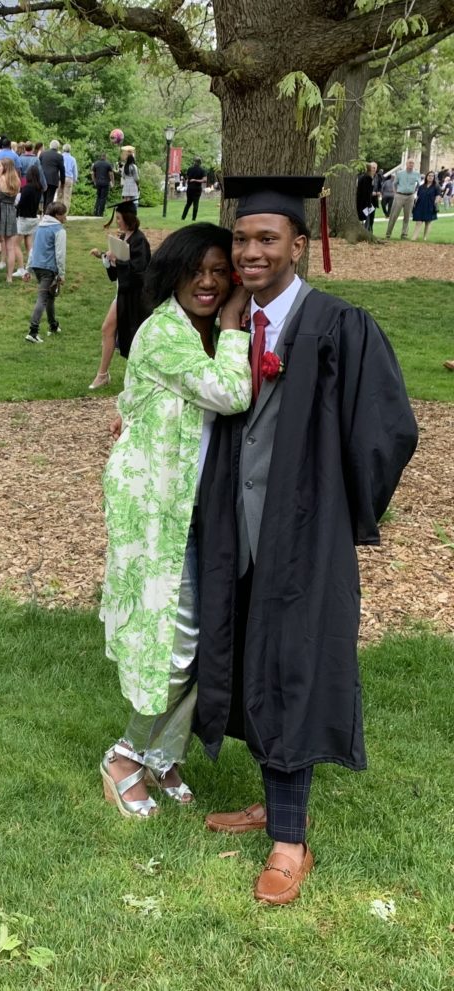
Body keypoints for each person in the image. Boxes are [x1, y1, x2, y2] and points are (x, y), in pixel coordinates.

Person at [197, 175, 417, 905]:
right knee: (254, 658)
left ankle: (289, 842)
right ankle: (271, 800)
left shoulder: (339, 327)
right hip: (239, 531)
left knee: (293, 665)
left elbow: (389, 430)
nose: (251, 251)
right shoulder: (230, 330)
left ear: (299, 244)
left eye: (267, 239)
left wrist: (339, 509)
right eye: (242, 239)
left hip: (304, 536)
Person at [99, 223, 252, 816]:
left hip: (196, 509)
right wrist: (237, 326)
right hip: (156, 511)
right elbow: (229, 393)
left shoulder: (202, 332)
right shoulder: (167, 332)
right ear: (175, 274)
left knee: (203, 635)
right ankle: (125, 757)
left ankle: (162, 756)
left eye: (220, 271)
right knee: (175, 642)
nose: (209, 282)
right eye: (197, 271)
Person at [92, 200, 151, 362]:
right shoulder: (124, 237)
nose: (117, 221)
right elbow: (117, 273)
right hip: (123, 293)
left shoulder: (139, 240)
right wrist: (107, 259)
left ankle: (104, 374)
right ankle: (103, 374)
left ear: (128, 218)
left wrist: (117, 261)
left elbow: (139, 272)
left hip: (135, 297)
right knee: (109, 329)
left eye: (119, 218)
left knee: (128, 335)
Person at [23, 201, 67, 343]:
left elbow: (32, 250)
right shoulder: (59, 230)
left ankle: (53, 325)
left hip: (37, 267)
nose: (65, 217)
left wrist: (28, 268)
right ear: (57, 215)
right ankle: (33, 331)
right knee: (43, 298)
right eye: (63, 214)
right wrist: (61, 274)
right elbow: (60, 253)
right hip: (49, 269)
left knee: (50, 296)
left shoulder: (39, 227)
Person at [0, 157, 21, 284]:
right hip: (11, 212)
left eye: (0, 166)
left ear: (4, 167)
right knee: (10, 247)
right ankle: (9, 277)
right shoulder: (16, 181)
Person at [13, 164, 43, 279]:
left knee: (15, 244)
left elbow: (21, 204)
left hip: (24, 218)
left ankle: (21, 268)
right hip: (33, 218)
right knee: (29, 244)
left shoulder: (27, 189)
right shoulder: (39, 188)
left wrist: (16, 204)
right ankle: (32, 266)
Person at [385, 157, 421, 239]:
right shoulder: (400, 174)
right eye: (409, 163)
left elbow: (419, 184)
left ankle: (404, 234)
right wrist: (395, 193)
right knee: (394, 215)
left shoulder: (416, 174)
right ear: (406, 164)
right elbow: (394, 184)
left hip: (410, 196)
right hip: (400, 195)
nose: (411, 165)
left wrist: (414, 191)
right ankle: (388, 233)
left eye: (412, 163)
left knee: (407, 216)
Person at [410, 170, 440, 241]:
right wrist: (414, 204)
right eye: (429, 176)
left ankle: (425, 237)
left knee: (428, 222)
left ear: (434, 178)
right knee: (418, 221)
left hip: (430, 206)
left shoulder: (436, 186)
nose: (430, 177)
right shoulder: (421, 187)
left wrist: (436, 202)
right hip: (420, 205)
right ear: (426, 177)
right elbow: (417, 196)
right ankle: (414, 237)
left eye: (432, 176)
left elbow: (438, 195)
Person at [39, 139, 65, 210]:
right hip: (53, 180)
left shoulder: (43, 154)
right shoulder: (59, 156)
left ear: (50, 146)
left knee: (44, 197)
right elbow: (62, 170)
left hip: (43, 179)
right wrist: (62, 182)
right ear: (58, 147)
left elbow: (39, 166)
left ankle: (44, 213)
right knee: (50, 198)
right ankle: (46, 214)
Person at [356, 161, 378, 234]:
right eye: (372, 168)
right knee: (365, 218)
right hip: (364, 202)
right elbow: (367, 192)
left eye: (375, 168)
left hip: (361, 201)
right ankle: (365, 232)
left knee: (366, 218)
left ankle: (366, 231)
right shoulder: (367, 178)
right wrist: (368, 203)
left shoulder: (363, 177)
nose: (374, 169)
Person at [182, 157, 206, 222]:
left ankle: (183, 217)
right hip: (197, 189)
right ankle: (193, 218)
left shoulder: (189, 169)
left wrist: (190, 180)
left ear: (194, 162)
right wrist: (196, 180)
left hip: (190, 188)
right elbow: (204, 180)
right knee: (196, 204)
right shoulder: (202, 170)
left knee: (188, 203)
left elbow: (187, 177)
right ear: (200, 163)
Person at [92, 152, 114, 216]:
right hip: (105, 183)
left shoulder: (96, 164)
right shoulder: (108, 164)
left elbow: (93, 174)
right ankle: (100, 213)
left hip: (98, 183)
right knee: (103, 198)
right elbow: (111, 174)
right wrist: (112, 182)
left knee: (98, 197)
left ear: (101, 157)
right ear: (105, 157)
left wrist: (94, 181)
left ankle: (96, 211)